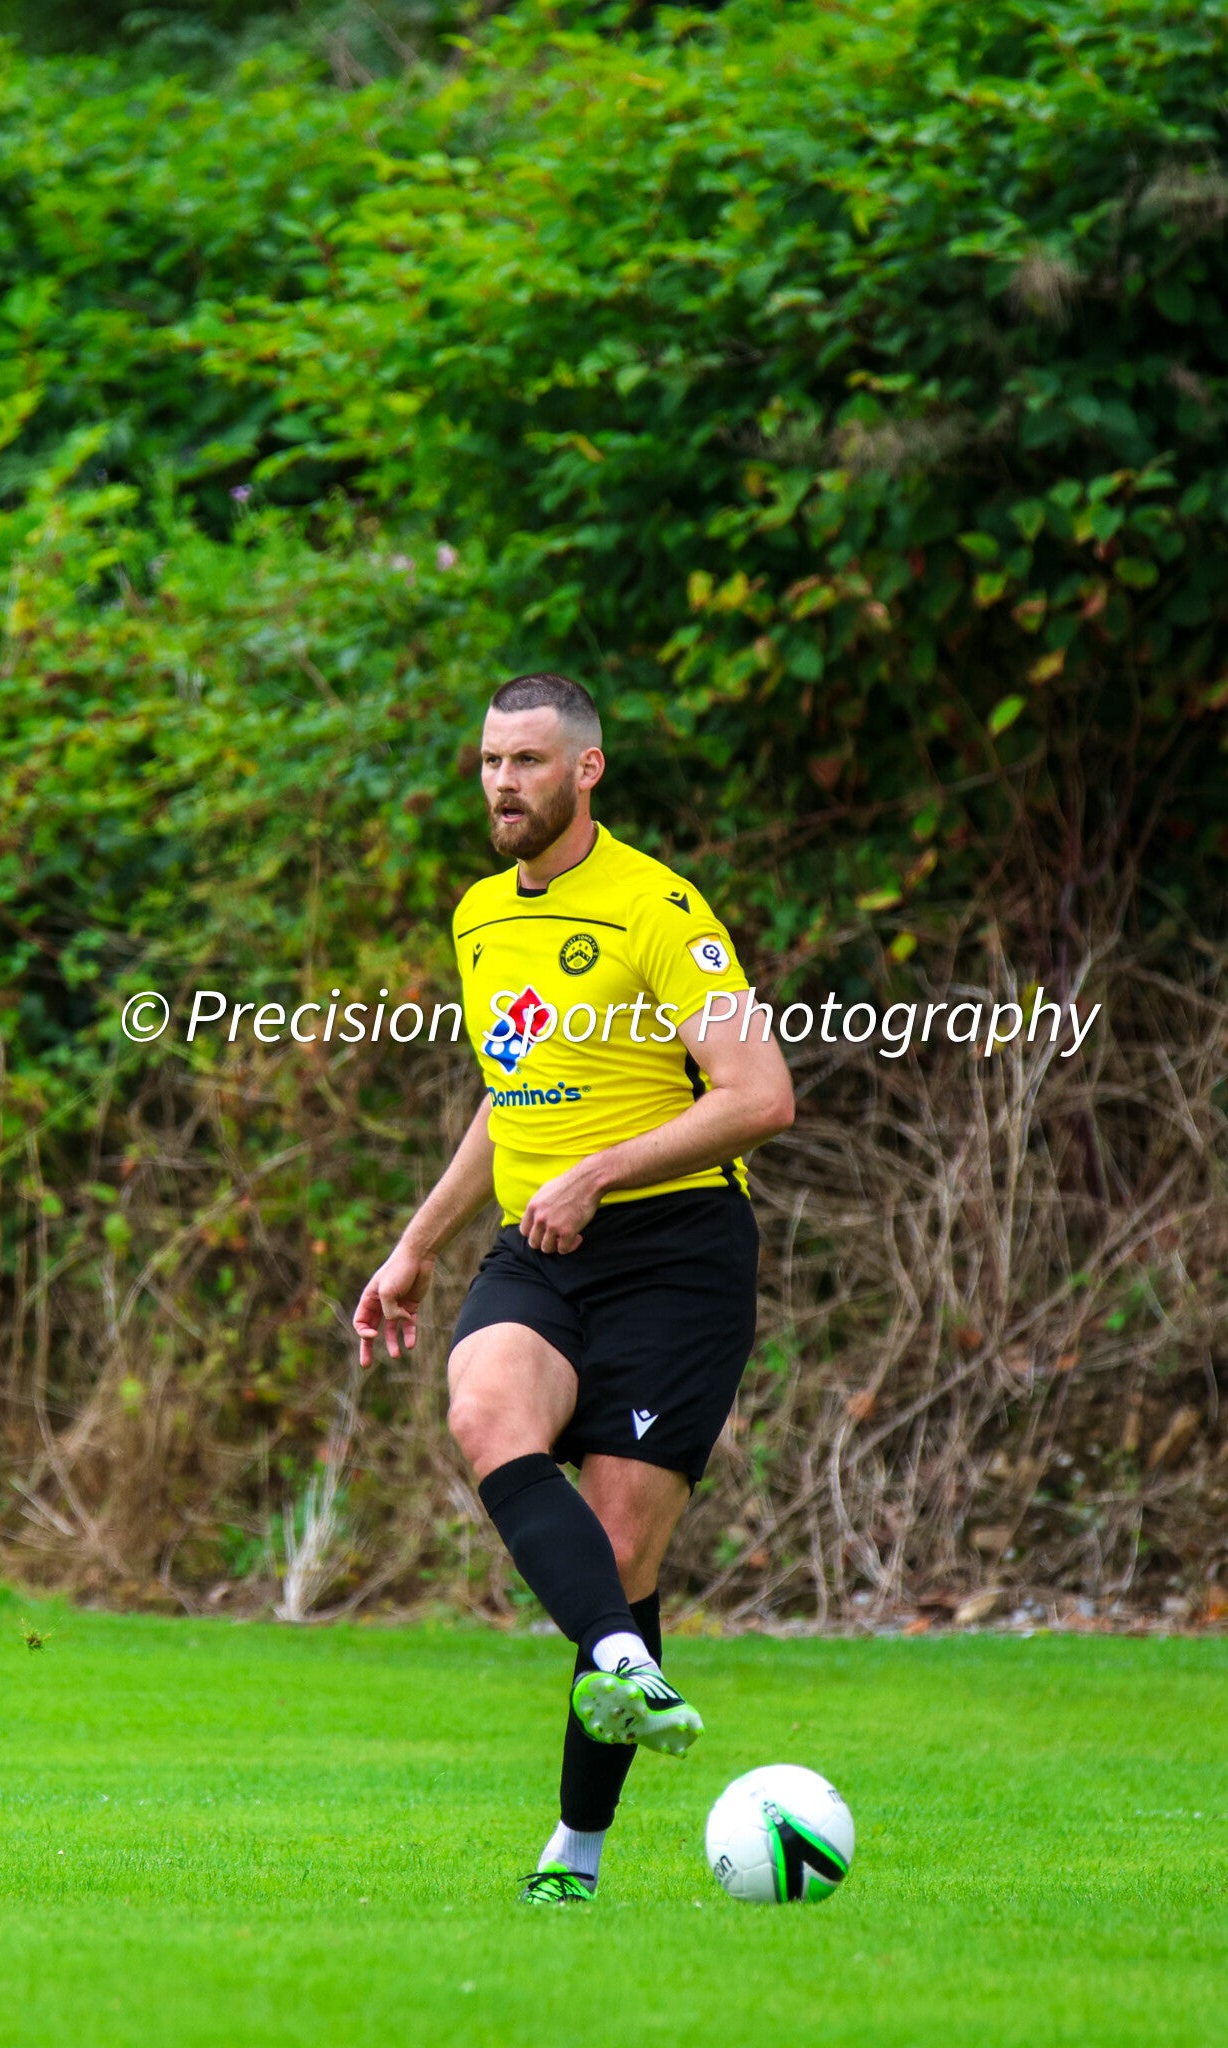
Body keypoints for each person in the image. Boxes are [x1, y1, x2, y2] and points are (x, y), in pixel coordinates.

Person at [353, 671, 794, 1902]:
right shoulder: (481, 915)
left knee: (618, 1542)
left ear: (586, 770)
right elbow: (513, 1092)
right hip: (540, 1244)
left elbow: (759, 1096)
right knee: (484, 1405)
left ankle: (577, 1850)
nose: (504, 782)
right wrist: (417, 1242)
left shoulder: (661, 907)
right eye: (491, 760)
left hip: (677, 1253)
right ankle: (617, 1654)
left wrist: (600, 1170)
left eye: (530, 761)